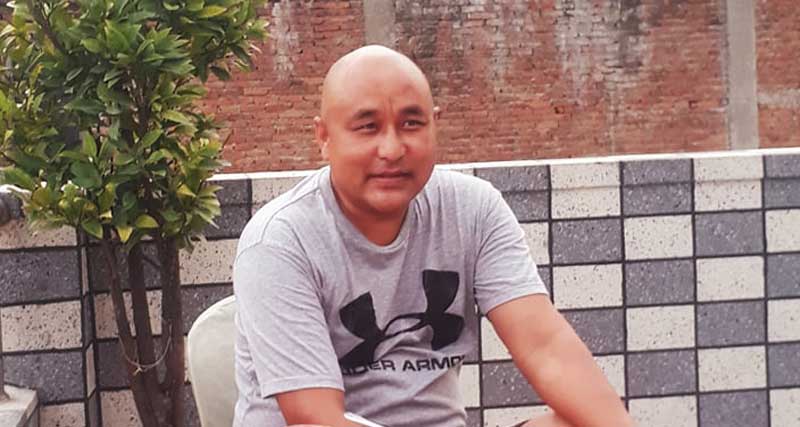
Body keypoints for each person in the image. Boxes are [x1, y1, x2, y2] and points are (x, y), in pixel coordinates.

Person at [233, 45, 634, 427]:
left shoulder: (473, 210)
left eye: (411, 123)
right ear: (324, 138)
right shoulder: (280, 242)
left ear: (434, 124)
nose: (392, 149)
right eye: (367, 127)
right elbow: (315, 418)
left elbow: (546, 347)